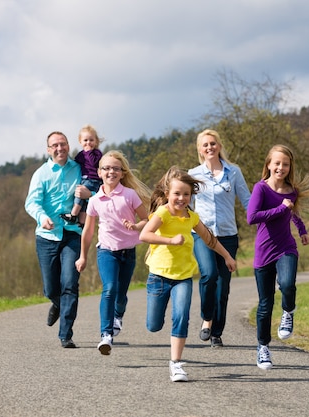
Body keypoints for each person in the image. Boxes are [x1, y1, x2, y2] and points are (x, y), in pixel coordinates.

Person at [139, 166, 237, 382]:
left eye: (186, 194)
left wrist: (228, 257)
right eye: (177, 193)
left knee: (181, 316)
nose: (182, 198)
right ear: (167, 194)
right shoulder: (163, 213)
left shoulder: (192, 217)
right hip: (158, 277)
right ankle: (160, 331)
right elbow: (144, 235)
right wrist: (170, 240)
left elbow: (209, 239)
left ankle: (176, 364)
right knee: (153, 325)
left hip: (182, 278)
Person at [246, 144, 309, 370]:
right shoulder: (261, 189)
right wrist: (280, 208)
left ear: (290, 167)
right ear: (268, 164)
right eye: (277, 163)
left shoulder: (292, 190)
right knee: (265, 305)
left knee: (287, 284)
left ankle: (288, 311)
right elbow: (252, 217)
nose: (281, 167)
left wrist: (303, 230)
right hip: (263, 252)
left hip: (286, 247)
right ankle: (263, 348)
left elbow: (293, 211)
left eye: (285, 164)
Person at [75, 150, 151, 355]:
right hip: (107, 251)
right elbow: (89, 231)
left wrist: (136, 227)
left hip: (128, 252)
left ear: (122, 172)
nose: (111, 172)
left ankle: (118, 315)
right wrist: (82, 256)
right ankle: (105, 335)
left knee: (121, 295)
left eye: (115, 169)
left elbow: (147, 220)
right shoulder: (94, 200)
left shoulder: (130, 195)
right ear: (99, 172)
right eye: (106, 168)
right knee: (109, 289)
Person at [25, 131, 92, 349]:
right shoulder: (41, 174)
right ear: (48, 150)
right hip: (47, 236)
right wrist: (42, 217)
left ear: (68, 146)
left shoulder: (78, 169)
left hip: (72, 233)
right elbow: (31, 202)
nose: (60, 148)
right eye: (55, 145)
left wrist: (88, 195)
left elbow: (93, 187)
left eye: (63, 144)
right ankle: (56, 303)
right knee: (51, 289)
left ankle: (66, 334)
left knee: (70, 284)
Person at [188, 129, 251, 348]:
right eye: (205, 145)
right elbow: (185, 205)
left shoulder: (233, 172)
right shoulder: (193, 174)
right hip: (202, 234)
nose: (209, 148)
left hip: (228, 236)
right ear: (200, 149)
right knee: (209, 275)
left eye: (213, 143)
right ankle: (206, 319)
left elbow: (247, 200)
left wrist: (264, 218)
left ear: (219, 145)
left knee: (223, 286)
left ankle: (216, 332)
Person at [61, 124, 103, 226]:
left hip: (93, 180)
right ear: (80, 142)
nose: (88, 143)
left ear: (96, 141)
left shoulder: (97, 153)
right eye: (85, 140)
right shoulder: (80, 154)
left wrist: (88, 152)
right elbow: (75, 164)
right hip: (84, 179)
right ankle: (82, 222)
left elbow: (93, 162)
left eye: (91, 140)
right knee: (84, 202)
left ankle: (73, 214)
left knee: (79, 194)